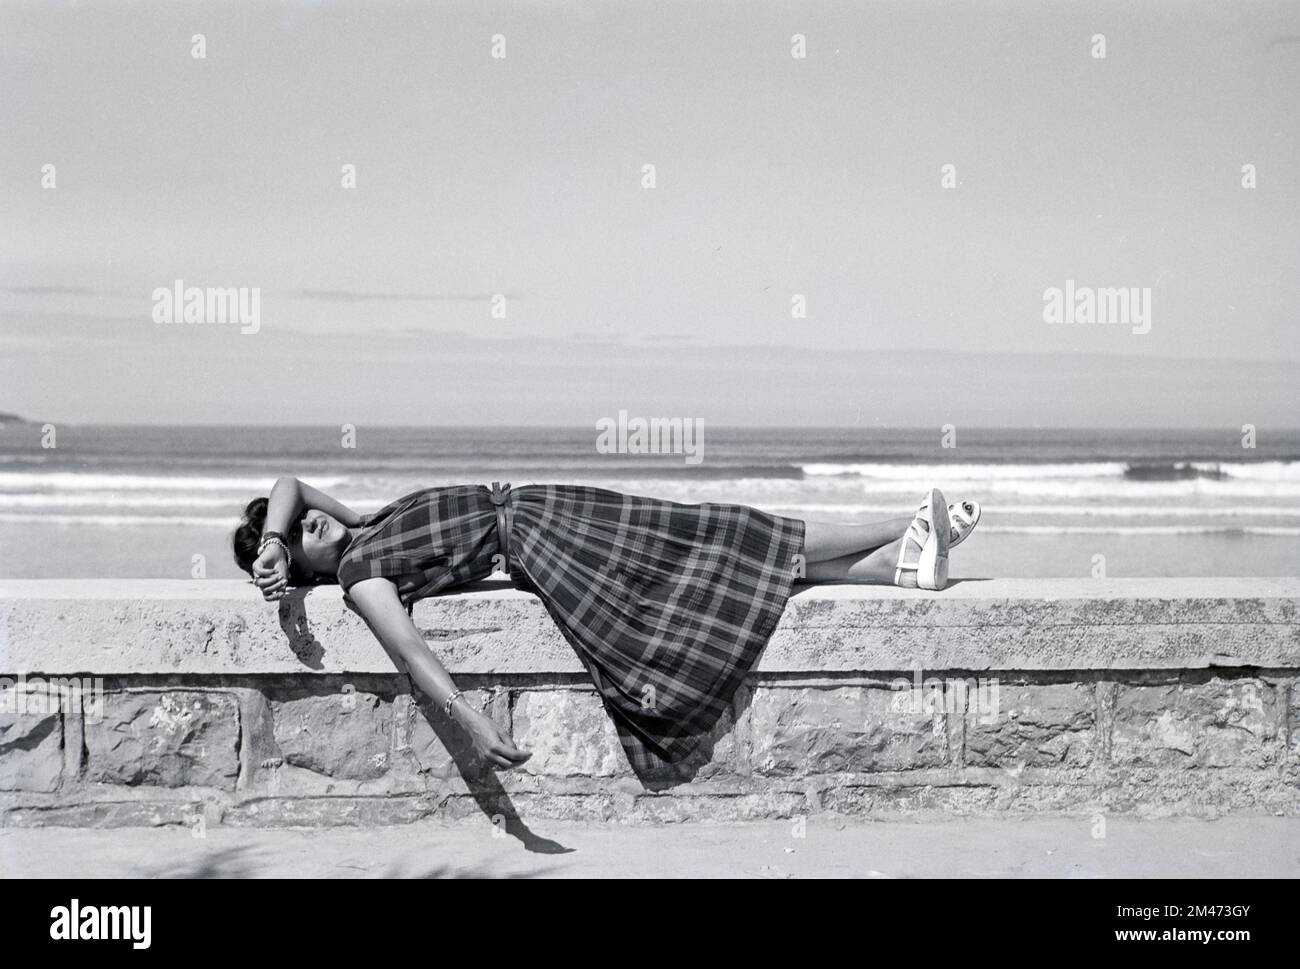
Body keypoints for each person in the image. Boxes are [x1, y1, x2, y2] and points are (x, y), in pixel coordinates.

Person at [232, 478, 980, 775]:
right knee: (714, 535)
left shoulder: (367, 521)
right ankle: (905, 522)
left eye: (289, 524)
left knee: (714, 543)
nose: (304, 521)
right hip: (552, 542)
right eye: (295, 537)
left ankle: (902, 567)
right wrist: (466, 719)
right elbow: (411, 650)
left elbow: (291, 483)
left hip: (548, 506)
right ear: (304, 571)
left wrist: (271, 537)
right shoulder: (364, 577)